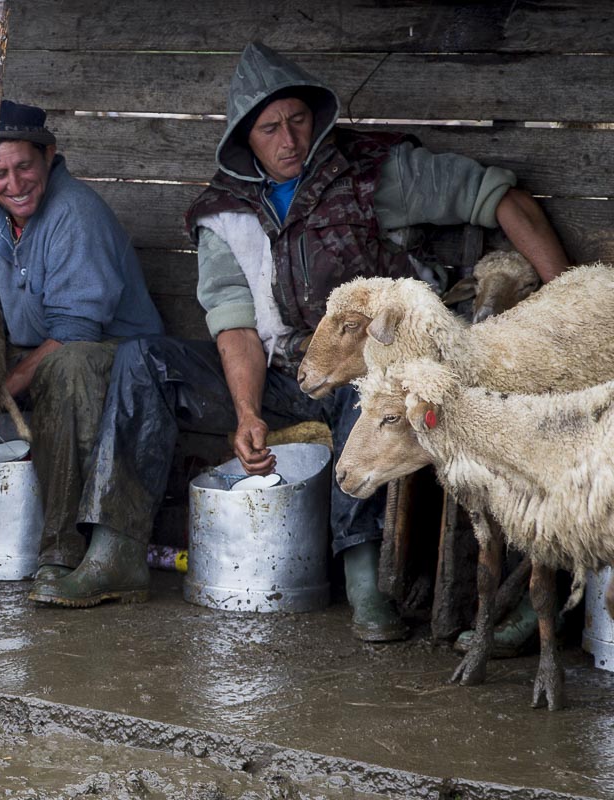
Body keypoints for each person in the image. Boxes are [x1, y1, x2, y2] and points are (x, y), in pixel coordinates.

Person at [38, 42, 569, 638]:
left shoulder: (376, 174)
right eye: (270, 128)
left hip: (364, 369)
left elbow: (500, 197)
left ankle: (364, 580)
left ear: (315, 117)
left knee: (363, 385)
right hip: (277, 374)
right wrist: (244, 412)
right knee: (144, 361)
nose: (289, 139)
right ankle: (115, 554)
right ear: (246, 138)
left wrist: (561, 297)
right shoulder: (226, 212)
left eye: (297, 120)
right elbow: (234, 320)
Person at [0, 101, 164, 599]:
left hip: (115, 354)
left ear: (49, 155)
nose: (14, 183)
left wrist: (3, 387)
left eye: (24, 166)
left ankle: (60, 549)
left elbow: (76, 330)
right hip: (34, 346)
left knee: (67, 370)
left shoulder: (75, 213)